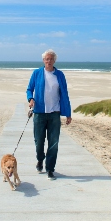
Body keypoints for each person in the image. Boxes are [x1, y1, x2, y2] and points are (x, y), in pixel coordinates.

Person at [26, 49, 72, 180]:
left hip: (54, 114)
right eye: (47, 59)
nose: (49, 61)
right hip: (39, 113)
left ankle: (50, 169)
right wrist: (31, 99)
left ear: (54, 61)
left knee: (54, 142)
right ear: (43, 60)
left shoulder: (60, 75)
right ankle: (40, 159)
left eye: (51, 59)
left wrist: (68, 113)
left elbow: (65, 94)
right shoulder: (37, 73)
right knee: (38, 141)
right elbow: (29, 89)